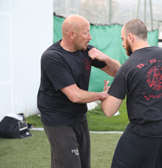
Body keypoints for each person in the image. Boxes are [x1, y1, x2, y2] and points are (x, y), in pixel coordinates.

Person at [101, 19, 162, 168]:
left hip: (144, 135)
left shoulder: (127, 67)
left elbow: (110, 110)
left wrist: (104, 96)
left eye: (123, 39)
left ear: (130, 37)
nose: (123, 44)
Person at [37, 14, 120, 168]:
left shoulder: (86, 50)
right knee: (69, 164)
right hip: (58, 119)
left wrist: (105, 58)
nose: (90, 37)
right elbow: (74, 95)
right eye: (86, 32)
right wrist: (102, 95)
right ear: (72, 34)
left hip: (79, 116)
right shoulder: (53, 57)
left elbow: (118, 72)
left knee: (82, 164)